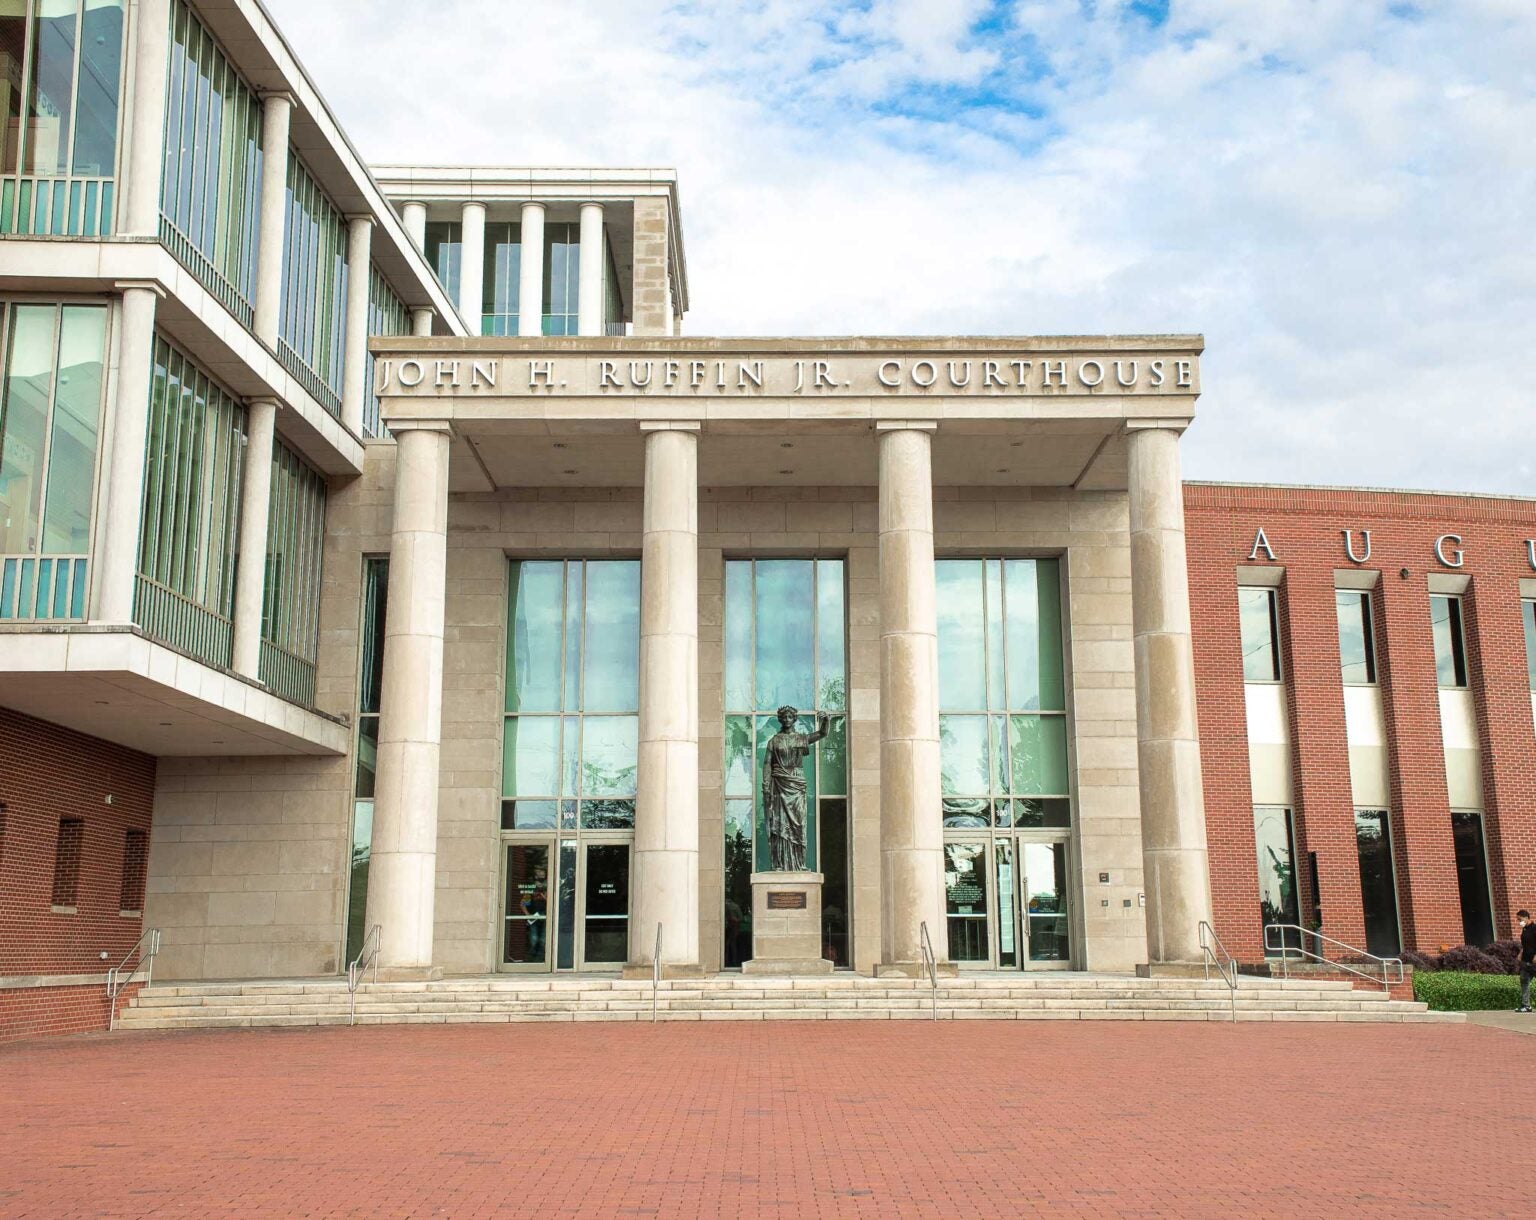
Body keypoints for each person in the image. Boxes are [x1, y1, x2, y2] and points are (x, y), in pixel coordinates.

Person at [1518, 909, 1535, 1014]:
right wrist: (1520, 953)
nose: (1519, 921)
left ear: (1526, 917)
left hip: (1534, 960)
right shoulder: (1524, 930)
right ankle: (1526, 1005)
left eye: (1520, 919)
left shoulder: (1534, 928)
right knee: (1524, 981)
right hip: (1525, 960)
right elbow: (1525, 944)